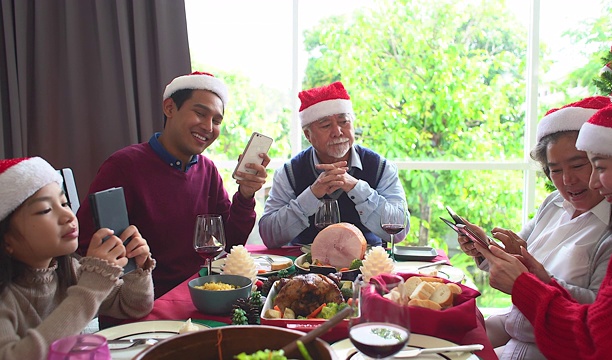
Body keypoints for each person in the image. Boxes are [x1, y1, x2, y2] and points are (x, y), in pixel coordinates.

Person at [457, 96, 612, 359]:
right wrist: (484, 248)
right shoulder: (554, 203)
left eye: (578, 165)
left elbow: (599, 314)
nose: (567, 180)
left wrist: (532, 282)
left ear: (601, 159)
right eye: (555, 170)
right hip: (516, 329)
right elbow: (515, 261)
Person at [76, 71, 270, 298]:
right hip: (141, 304)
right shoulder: (123, 166)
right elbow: (87, 243)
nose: (209, 127)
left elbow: (231, 242)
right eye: (200, 113)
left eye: (217, 121)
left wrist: (246, 196)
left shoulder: (207, 170)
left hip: (197, 295)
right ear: (169, 108)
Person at [0, 157, 154, 359]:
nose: (68, 216)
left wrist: (136, 269)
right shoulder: (7, 297)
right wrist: (91, 288)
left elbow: (134, 306)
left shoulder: (70, 269)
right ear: (6, 240)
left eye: (64, 203)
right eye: (46, 210)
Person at [259, 81, 408, 248]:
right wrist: (312, 194)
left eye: (344, 122)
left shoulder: (381, 167)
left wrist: (356, 188)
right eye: (326, 125)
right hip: (305, 267)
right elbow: (269, 236)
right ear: (308, 135)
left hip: (368, 265)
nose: (337, 132)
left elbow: (400, 231)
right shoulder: (289, 172)